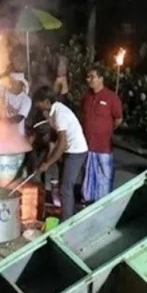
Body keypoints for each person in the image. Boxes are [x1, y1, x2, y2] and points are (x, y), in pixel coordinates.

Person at [32, 87, 89, 220]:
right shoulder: (52, 112)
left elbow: (62, 143)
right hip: (69, 150)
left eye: (37, 102)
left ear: (46, 102)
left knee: (65, 187)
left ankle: (67, 221)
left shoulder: (60, 114)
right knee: (65, 185)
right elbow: (55, 138)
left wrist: (48, 163)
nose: (36, 105)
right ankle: (68, 211)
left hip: (76, 151)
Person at [80, 65, 124, 203]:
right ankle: (87, 200)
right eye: (87, 77)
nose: (89, 80)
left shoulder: (111, 97)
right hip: (88, 145)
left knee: (104, 176)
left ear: (101, 79)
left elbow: (118, 118)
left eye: (92, 77)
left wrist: (107, 130)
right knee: (88, 174)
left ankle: (103, 202)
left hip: (104, 146)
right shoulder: (86, 97)